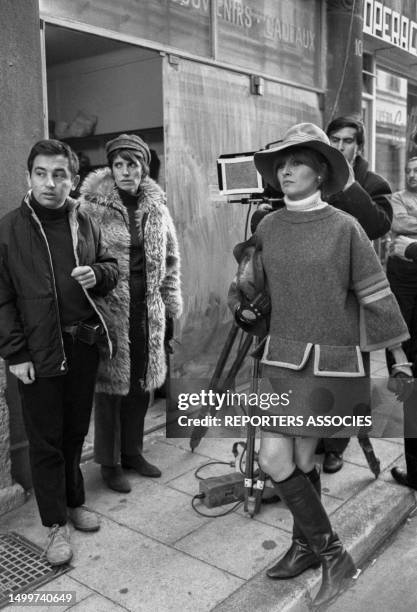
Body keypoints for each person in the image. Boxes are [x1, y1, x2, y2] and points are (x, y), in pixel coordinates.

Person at [250, 123, 411, 608]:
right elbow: (259, 289)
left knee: (278, 461)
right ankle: (308, 547)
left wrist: (398, 357)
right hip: (280, 357)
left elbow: (376, 293)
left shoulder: (346, 227)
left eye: (297, 162)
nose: (286, 169)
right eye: (281, 163)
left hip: (330, 362)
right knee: (292, 461)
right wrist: (246, 298)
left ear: (321, 171)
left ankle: (332, 556)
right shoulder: (268, 226)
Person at [0, 139, 118, 565]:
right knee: (46, 440)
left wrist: (99, 273)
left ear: (72, 178)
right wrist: (16, 354)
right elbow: (2, 299)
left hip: (82, 342)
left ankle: (73, 501)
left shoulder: (84, 220)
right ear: (29, 177)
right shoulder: (9, 229)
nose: (51, 183)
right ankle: (53, 525)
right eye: (42, 174)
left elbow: (110, 266)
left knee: (73, 433)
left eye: (60, 174)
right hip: (38, 350)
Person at [79, 133, 182, 493]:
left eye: (132, 165)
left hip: (147, 310)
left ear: (144, 168)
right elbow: (82, 261)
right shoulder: (90, 206)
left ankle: (133, 452)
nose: (125, 172)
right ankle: (109, 463)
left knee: (141, 384)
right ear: (111, 167)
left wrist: (170, 306)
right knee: (110, 389)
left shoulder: (156, 206)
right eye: (119, 165)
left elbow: (170, 259)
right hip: (110, 311)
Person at [319, 115, 394, 473]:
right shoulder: (314, 176)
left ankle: (336, 443)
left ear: (358, 146)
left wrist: (348, 184)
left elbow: (378, 225)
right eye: (333, 140)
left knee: (349, 372)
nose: (339, 147)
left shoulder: (373, 182)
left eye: (347, 141)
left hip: (353, 294)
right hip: (316, 290)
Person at [386, 156, 417, 490]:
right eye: (408, 171)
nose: (411, 175)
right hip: (401, 284)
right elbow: (397, 223)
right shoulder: (395, 198)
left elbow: (406, 233)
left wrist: (412, 244)